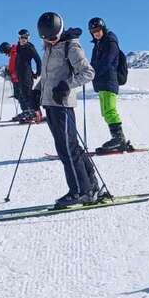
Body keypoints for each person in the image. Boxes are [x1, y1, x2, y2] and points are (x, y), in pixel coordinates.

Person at [35, 11, 103, 208]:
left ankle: (79, 192)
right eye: (47, 38)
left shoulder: (70, 46)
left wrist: (66, 85)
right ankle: (90, 186)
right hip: (50, 104)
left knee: (68, 149)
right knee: (69, 147)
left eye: (53, 37)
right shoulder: (48, 47)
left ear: (60, 30)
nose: (50, 41)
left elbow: (88, 73)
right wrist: (36, 90)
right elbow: (48, 76)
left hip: (63, 105)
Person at [88, 17, 132, 152]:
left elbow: (107, 62)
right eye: (93, 31)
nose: (96, 33)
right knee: (105, 111)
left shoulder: (110, 42)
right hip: (102, 82)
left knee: (110, 110)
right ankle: (117, 138)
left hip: (109, 81)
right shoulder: (97, 45)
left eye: (98, 30)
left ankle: (119, 139)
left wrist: (93, 73)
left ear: (103, 29)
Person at [13, 28, 43, 123]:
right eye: (22, 37)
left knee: (28, 95)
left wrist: (37, 73)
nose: (24, 39)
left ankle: (35, 115)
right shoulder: (18, 47)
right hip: (20, 75)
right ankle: (30, 114)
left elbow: (38, 60)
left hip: (27, 75)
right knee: (24, 95)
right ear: (19, 37)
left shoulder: (30, 47)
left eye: (25, 37)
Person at [0, 41, 25, 121]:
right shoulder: (13, 54)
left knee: (21, 96)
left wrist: (11, 73)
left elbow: (18, 67)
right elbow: (12, 67)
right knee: (18, 96)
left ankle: (27, 113)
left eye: (4, 52)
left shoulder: (15, 54)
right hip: (15, 79)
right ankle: (26, 112)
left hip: (18, 79)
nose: (5, 54)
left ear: (6, 50)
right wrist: (9, 71)